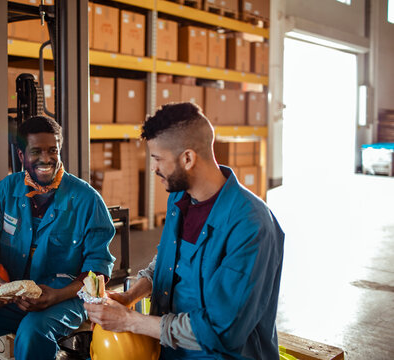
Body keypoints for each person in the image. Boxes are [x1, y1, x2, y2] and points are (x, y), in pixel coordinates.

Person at [85, 102, 284, 359]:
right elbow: (169, 261)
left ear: (187, 158)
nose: (154, 168)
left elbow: (222, 330)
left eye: (158, 159)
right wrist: (130, 295)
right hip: (171, 353)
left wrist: (130, 321)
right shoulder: (180, 198)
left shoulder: (250, 224)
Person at [0, 115, 116, 360]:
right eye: (36, 151)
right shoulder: (8, 190)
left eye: (53, 150)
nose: (46, 159)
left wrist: (57, 296)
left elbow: (98, 270)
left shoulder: (86, 199)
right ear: (21, 156)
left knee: (31, 332)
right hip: (13, 299)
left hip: (65, 300)